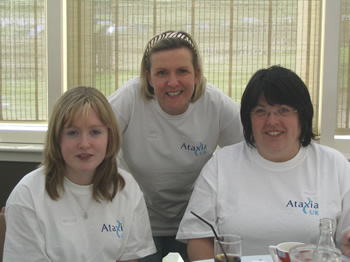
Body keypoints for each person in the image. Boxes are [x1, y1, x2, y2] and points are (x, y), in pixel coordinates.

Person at [176, 65, 350, 259]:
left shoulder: (334, 165)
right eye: (261, 111)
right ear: (248, 119)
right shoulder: (222, 164)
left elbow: (346, 238)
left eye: (283, 110)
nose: (272, 121)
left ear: (302, 115)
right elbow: (198, 238)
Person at [108, 30, 244, 261]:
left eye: (182, 71)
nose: (173, 82)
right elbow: (93, 141)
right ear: (149, 77)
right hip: (137, 219)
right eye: (162, 73)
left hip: (195, 223)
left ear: (196, 75)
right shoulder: (130, 98)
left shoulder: (215, 103)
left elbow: (252, 148)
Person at [3, 86, 156, 262]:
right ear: (56, 138)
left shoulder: (126, 187)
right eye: (72, 133)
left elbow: (129, 258)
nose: (84, 144)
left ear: (110, 136)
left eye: (95, 132)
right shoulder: (27, 195)